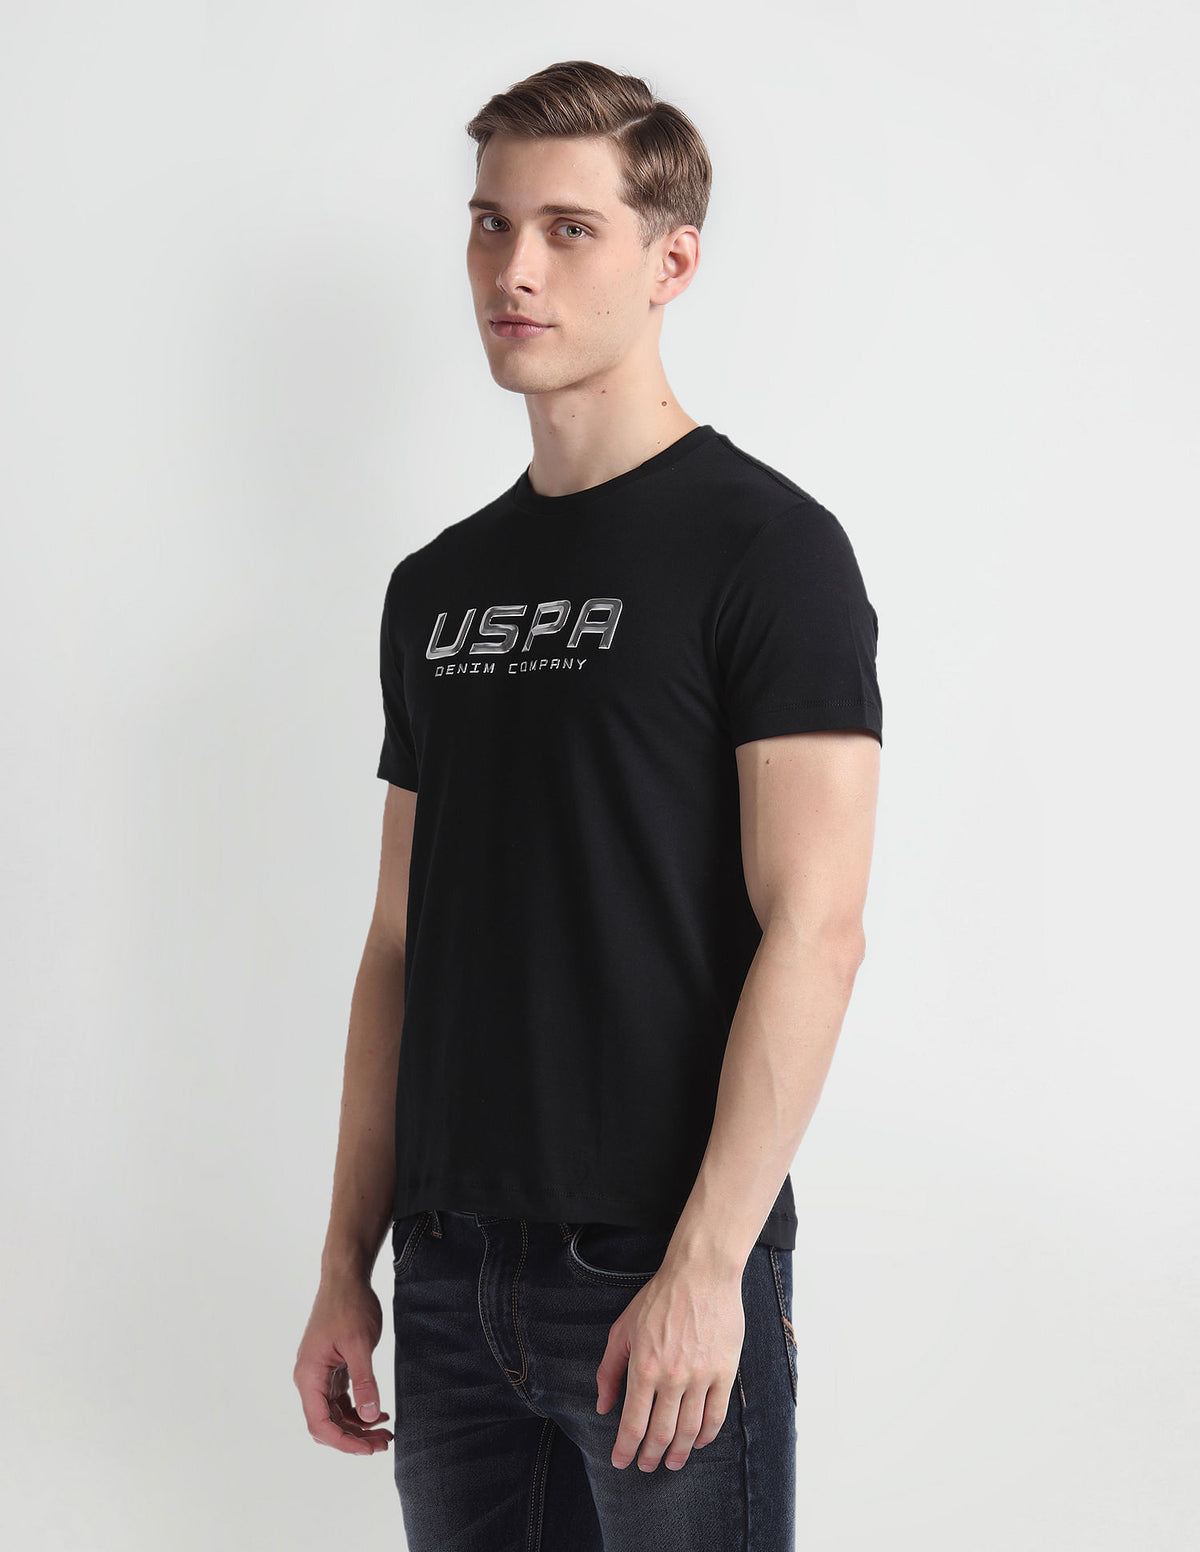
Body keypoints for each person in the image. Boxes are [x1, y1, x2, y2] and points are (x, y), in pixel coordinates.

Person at [293, 58, 883, 1551]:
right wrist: (347, 1264)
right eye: (491, 223)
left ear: (671, 262)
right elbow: (398, 945)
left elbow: (815, 930)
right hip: (446, 1277)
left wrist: (708, 1266)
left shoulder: (769, 550)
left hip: (653, 1270)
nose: (514, 269)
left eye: (569, 230)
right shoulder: (437, 589)